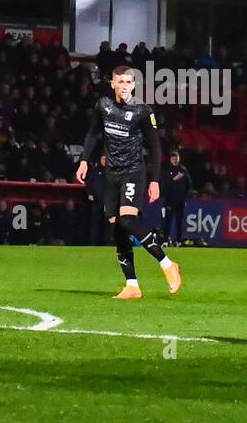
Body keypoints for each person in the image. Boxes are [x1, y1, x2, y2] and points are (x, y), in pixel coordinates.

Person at [75, 66, 182, 298]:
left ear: (134, 85)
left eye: (128, 82)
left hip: (134, 171)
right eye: (120, 81)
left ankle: (167, 264)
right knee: (117, 225)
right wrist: (84, 161)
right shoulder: (103, 105)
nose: (124, 86)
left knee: (128, 219)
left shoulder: (142, 111)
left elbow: (155, 147)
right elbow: (93, 133)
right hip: (111, 173)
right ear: (112, 84)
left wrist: (155, 181)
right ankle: (132, 285)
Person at [162, 151, 192, 246]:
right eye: (173, 159)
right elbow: (163, 184)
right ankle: (165, 241)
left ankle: (179, 241)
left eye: (176, 158)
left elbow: (189, 184)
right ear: (170, 159)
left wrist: (184, 195)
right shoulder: (167, 170)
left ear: (179, 159)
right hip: (169, 200)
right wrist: (173, 180)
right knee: (167, 222)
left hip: (180, 200)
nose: (175, 160)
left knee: (179, 222)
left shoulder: (183, 170)